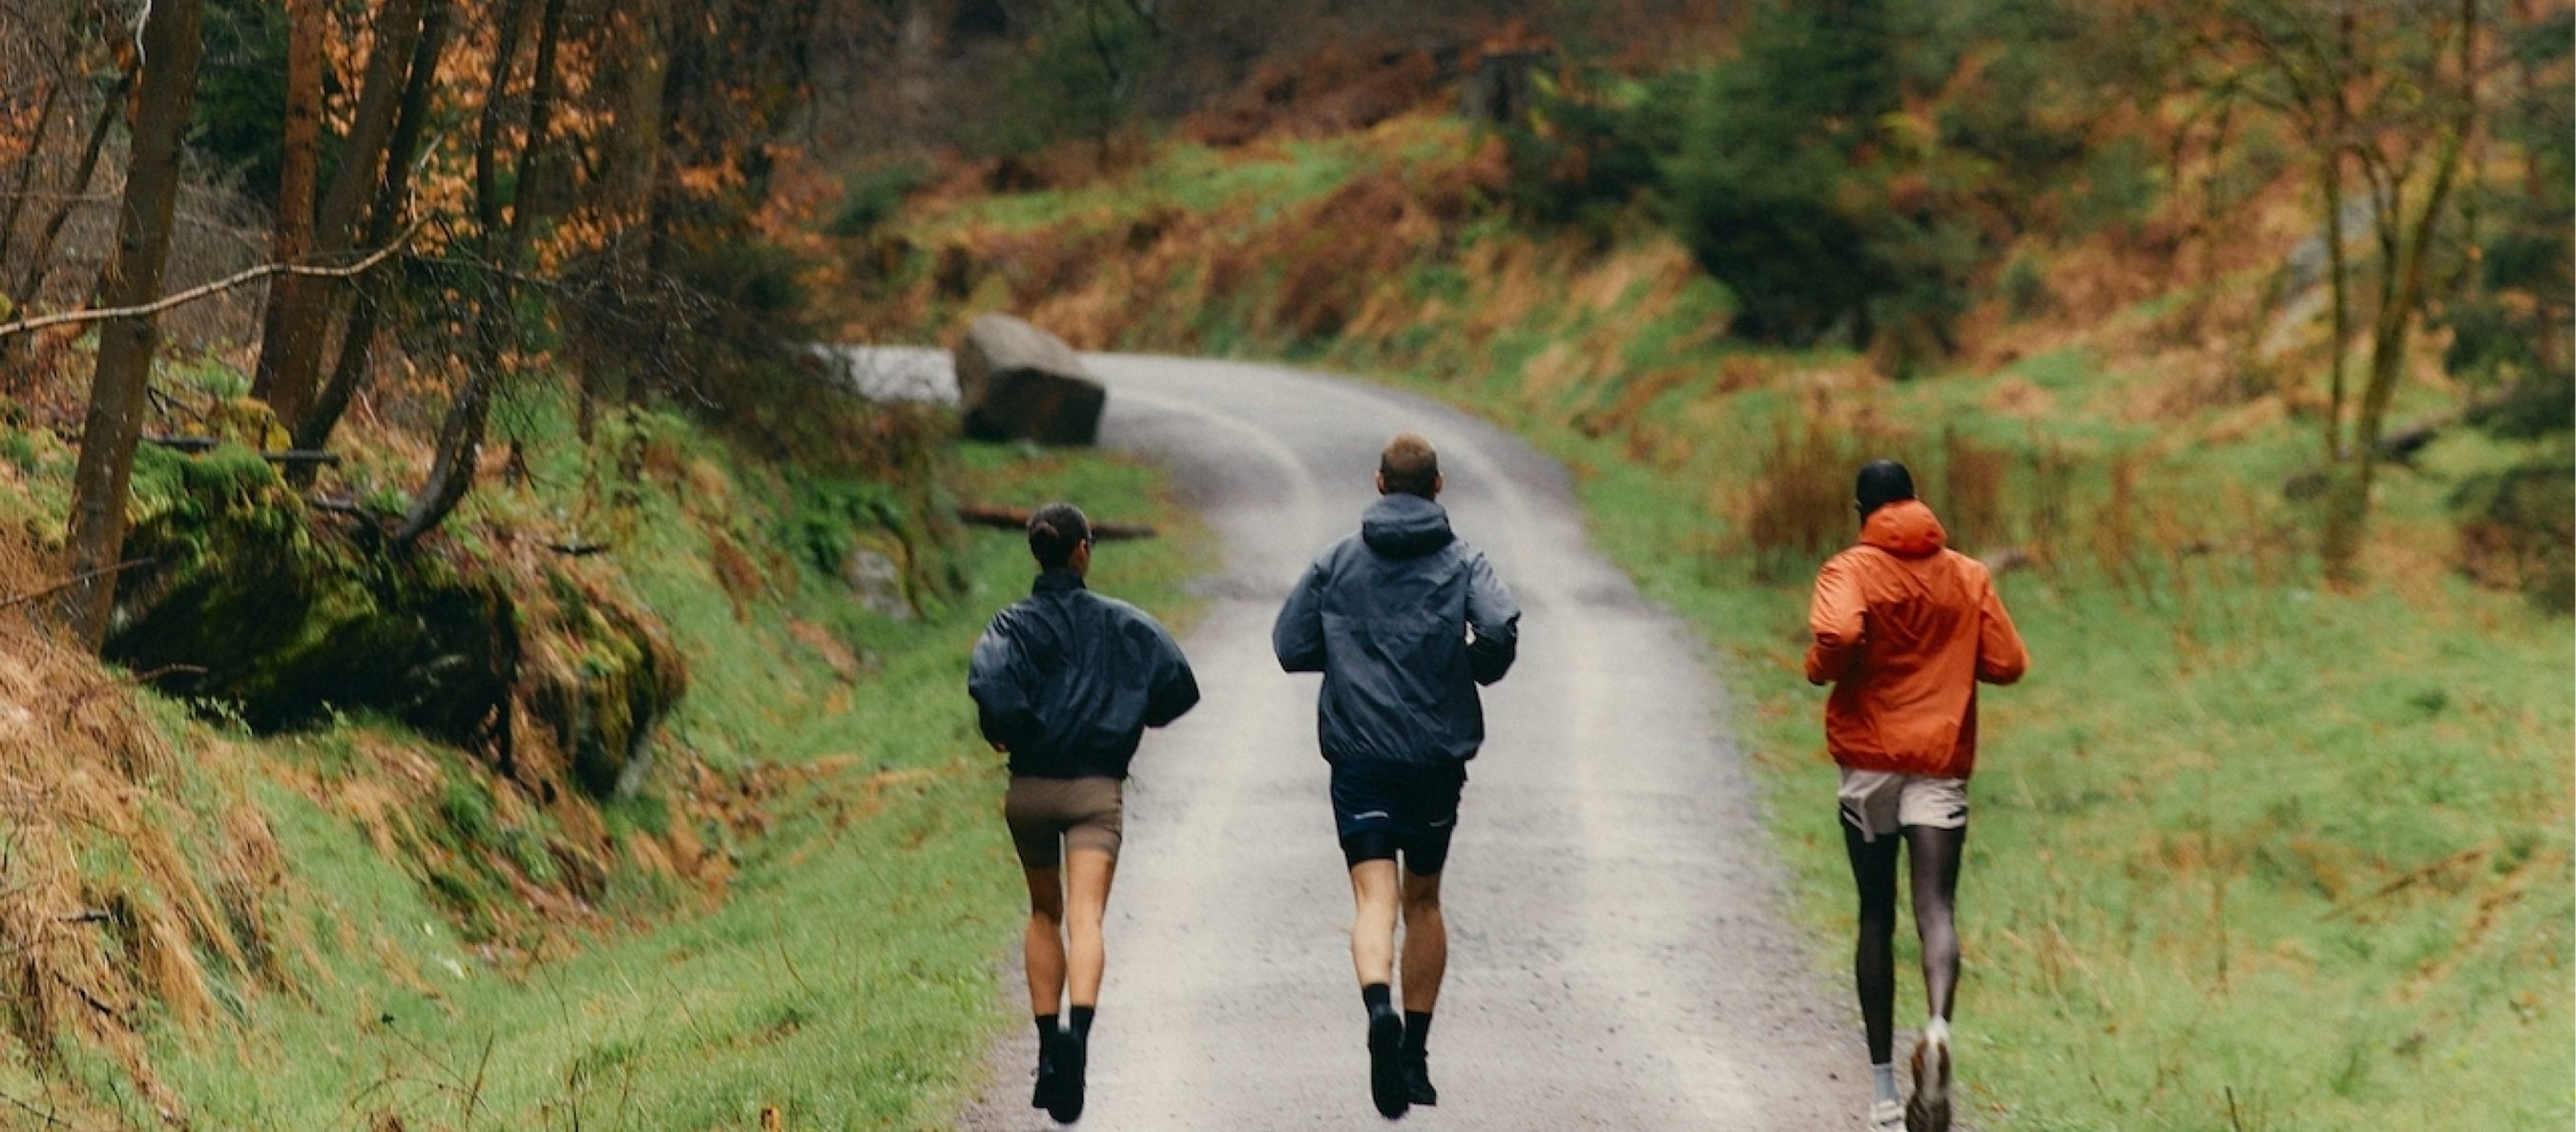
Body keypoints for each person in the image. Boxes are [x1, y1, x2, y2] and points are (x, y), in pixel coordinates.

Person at [1273, 433, 1521, 1121]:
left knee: (1372, 899)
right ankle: (1413, 1055)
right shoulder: (1465, 560)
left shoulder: (1336, 560)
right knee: (1425, 900)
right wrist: (1467, 668)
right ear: (1439, 485)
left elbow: (1290, 644)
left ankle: (1376, 1005)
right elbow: (1498, 628)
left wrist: (1349, 657)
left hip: (1359, 756)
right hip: (1436, 759)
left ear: (1378, 484)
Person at [1805, 461, 2028, 1132]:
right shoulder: (1967, 573)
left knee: (1876, 913)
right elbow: (2008, 662)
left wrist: (1824, 666)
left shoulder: (1848, 570)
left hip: (1871, 763)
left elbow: (1838, 636)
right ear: (1915, 501)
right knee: (1936, 906)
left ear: (1860, 508)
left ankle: (1880, 1092)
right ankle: (1936, 1028)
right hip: (1939, 761)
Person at [968, 502, 1200, 1124]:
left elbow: (990, 685)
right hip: (1096, 790)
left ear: (1036, 553)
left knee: (1043, 912)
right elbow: (1180, 685)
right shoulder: (1125, 624)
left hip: (1031, 789)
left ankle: (1046, 1051)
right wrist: (1126, 716)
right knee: (1085, 914)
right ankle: (1078, 1035)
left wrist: (1010, 729)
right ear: (1084, 550)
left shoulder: (1010, 624)